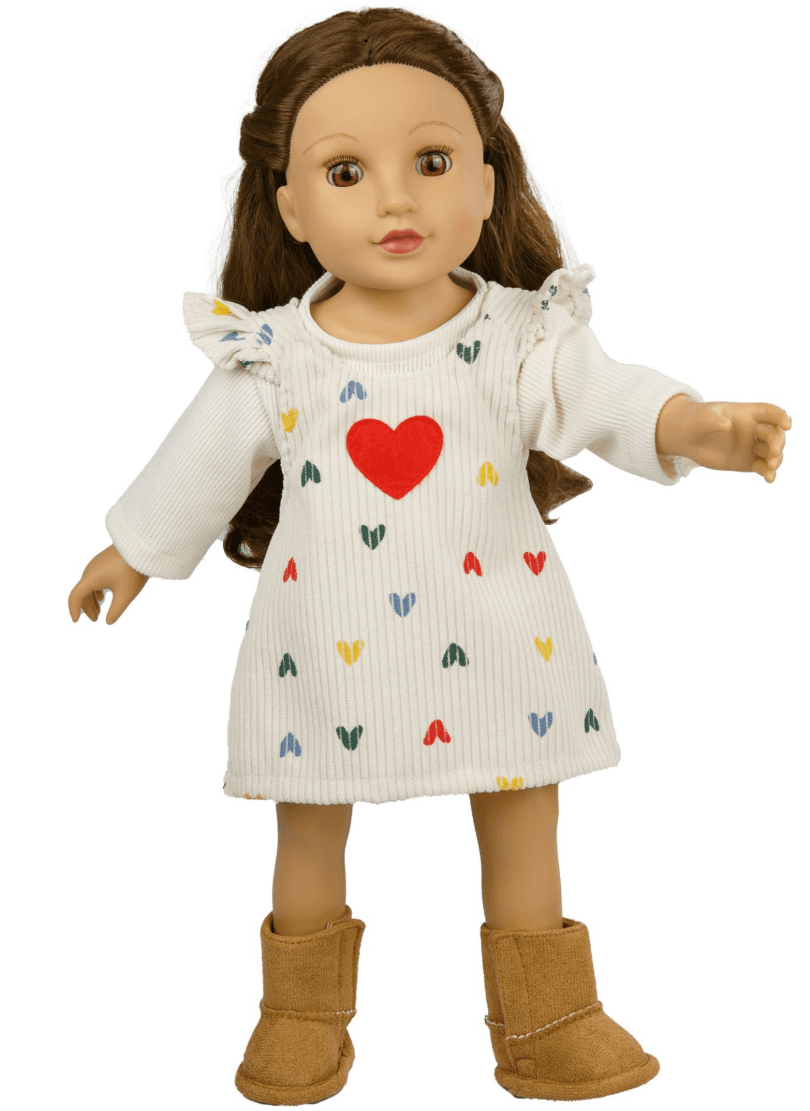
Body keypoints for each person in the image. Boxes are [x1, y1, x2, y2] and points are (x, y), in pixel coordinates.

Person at [67, 7, 790, 1105]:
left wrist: (696, 426)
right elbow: (196, 466)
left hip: (500, 629)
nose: (396, 200)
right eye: (346, 172)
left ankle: (550, 1016)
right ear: (290, 207)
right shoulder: (274, 355)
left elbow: (607, 398)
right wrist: (132, 549)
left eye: (433, 161)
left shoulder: (522, 335)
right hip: (325, 639)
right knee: (310, 813)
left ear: (488, 184)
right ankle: (300, 1010)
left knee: (523, 808)